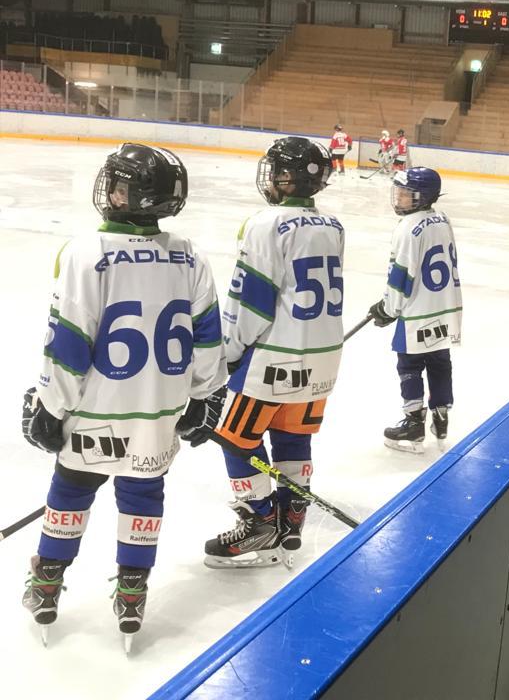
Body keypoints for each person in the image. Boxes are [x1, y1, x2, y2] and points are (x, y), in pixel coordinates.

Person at [20, 144, 226, 651]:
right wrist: (203, 397)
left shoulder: (86, 252)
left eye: (117, 183)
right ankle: (132, 591)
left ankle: (47, 582)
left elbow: (68, 344)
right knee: (142, 496)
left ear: (127, 195)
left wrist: (50, 407)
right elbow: (208, 336)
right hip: (156, 414)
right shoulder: (189, 255)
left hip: (94, 413)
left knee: (69, 492)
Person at [204, 136, 345, 569]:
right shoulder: (334, 225)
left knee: (232, 437)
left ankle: (261, 523)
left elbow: (250, 303)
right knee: (292, 434)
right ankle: (293, 515)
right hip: (322, 356)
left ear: (289, 178)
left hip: (272, 361)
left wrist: (226, 354)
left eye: (276, 170)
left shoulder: (265, 224)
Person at [368, 168, 462, 454]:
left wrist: (388, 308)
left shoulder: (408, 227)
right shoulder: (442, 219)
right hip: (446, 308)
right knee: (439, 362)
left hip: (417, 311)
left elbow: (402, 275)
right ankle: (441, 417)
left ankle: (413, 423)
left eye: (406, 193)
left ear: (422, 197)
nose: (400, 198)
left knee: (409, 365)